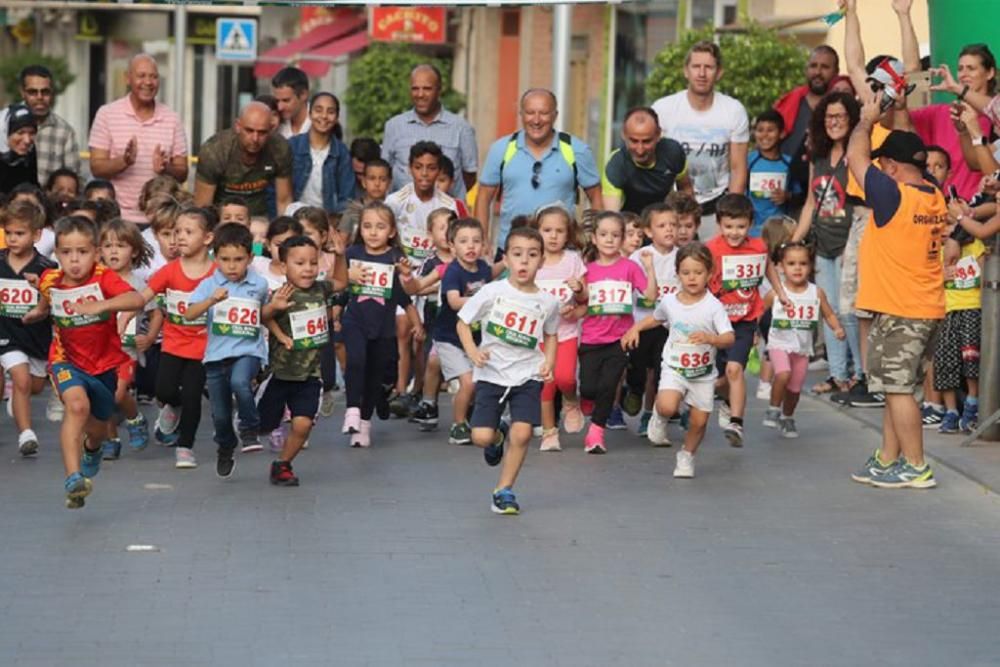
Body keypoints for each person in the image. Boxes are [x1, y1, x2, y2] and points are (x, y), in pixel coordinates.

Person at [847, 94, 947, 490]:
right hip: (923, 306)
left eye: (882, 164)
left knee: (899, 389)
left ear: (889, 166)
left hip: (903, 309)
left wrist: (866, 122)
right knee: (896, 385)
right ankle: (888, 458)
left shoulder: (893, 195)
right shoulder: (932, 193)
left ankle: (917, 465)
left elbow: (856, 157)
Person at [28, 216, 141, 509]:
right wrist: (36, 314)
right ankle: (73, 477)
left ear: (96, 252)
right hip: (65, 359)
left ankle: (92, 449)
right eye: (66, 252)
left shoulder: (103, 277)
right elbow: (45, 301)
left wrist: (102, 304)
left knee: (99, 429)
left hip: (104, 365)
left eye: (82, 252)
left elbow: (136, 300)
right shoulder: (50, 279)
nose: (74, 260)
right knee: (78, 407)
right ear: (57, 254)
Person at [455, 226, 559, 515]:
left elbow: (551, 334)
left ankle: (504, 490)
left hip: (527, 374)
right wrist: (473, 351)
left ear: (542, 261)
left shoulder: (549, 302)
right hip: (491, 374)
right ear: (507, 259)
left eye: (532, 255)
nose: (524, 261)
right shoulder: (492, 291)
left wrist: (549, 360)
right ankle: (498, 435)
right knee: (481, 438)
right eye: (517, 254)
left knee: (524, 433)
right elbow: (462, 322)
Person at [621, 243, 735, 479]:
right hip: (674, 367)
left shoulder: (714, 307)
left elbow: (729, 337)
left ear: (709, 274)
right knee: (667, 405)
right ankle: (659, 417)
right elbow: (656, 318)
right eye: (686, 273)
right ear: (677, 274)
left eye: (698, 272)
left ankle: (687, 455)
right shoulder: (670, 302)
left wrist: (711, 338)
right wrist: (636, 329)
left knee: (699, 422)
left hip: (702, 372)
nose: (692, 278)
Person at [180, 223, 270, 477]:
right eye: (225, 259)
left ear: (250, 258)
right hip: (216, 356)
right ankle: (225, 446)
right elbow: (188, 314)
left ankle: (250, 428)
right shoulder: (210, 284)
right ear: (215, 258)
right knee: (220, 416)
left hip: (248, 350)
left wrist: (278, 327)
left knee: (241, 383)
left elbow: (265, 313)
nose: (232, 266)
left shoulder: (259, 284)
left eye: (239, 260)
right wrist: (211, 300)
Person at [791, 92, 863, 396]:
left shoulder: (860, 153)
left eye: (840, 116)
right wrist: (793, 243)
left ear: (851, 118)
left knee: (850, 312)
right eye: (829, 117)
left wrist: (855, 245)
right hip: (821, 242)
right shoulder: (818, 154)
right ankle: (837, 374)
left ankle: (861, 374)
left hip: (850, 242)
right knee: (829, 309)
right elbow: (811, 202)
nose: (834, 122)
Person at [706, 194, 788, 447]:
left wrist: (780, 293)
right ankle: (728, 399)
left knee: (735, 370)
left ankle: (737, 423)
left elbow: (768, 268)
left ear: (751, 224)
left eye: (740, 226)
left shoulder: (758, 247)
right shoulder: (711, 249)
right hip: (717, 322)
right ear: (719, 224)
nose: (734, 232)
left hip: (744, 320)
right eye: (729, 226)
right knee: (719, 381)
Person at [475, 89, 602, 251]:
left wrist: (595, 241)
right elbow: (484, 195)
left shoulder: (576, 150)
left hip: (562, 252)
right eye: (530, 113)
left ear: (555, 115)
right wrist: (481, 240)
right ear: (521, 114)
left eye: (543, 113)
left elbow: (596, 195)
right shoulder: (501, 149)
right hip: (512, 250)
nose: (536, 120)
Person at [141, 206, 217, 468]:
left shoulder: (217, 272)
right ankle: (172, 407)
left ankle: (185, 446)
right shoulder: (170, 271)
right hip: (173, 343)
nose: (180, 237)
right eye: (176, 232)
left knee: (193, 395)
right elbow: (144, 297)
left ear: (207, 238)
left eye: (188, 232)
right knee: (164, 390)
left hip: (204, 346)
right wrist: (122, 312)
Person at [341, 202, 423, 447]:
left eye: (380, 226)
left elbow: (406, 296)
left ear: (392, 231)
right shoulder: (352, 253)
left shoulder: (395, 258)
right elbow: (334, 282)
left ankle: (364, 424)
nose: (373, 232)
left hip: (383, 328)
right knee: (355, 362)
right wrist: (347, 276)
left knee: (374, 376)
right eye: (367, 226)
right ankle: (352, 411)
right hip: (355, 320)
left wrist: (416, 323)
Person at [575, 211, 657, 453]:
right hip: (591, 338)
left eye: (615, 235)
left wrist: (650, 269)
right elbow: (580, 300)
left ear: (622, 240)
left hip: (619, 340)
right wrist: (578, 290)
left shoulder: (630, 267)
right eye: (604, 235)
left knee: (609, 386)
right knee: (589, 387)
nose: (609, 240)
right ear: (594, 239)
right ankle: (587, 399)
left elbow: (650, 296)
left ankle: (596, 434)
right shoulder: (587, 269)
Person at [385, 141, 458, 414]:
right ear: (409, 169)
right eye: (418, 168)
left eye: (431, 168)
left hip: (434, 279)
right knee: (403, 330)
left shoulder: (449, 205)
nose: (424, 174)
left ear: (439, 171)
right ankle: (401, 390)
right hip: (404, 276)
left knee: (423, 338)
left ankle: (419, 389)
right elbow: (385, 236)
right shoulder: (396, 202)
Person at [260, 236, 338, 485]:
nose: (308, 269)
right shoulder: (281, 293)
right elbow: (263, 316)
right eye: (300, 263)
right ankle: (248, 424)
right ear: (284, 267)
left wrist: (342, 256)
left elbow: (343, 282)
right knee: (262, 424)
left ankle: (283, 464)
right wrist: (277, 316)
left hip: (309, 375)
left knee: (303, 425)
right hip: (280, 373)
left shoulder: (321, 289)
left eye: (313, 263)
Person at [651, 41, 749, 229]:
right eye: (696, 66)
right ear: (686, 71)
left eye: (709, 67)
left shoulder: (733, 110)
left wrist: (730, 216)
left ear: (719, 72)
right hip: (672, 207)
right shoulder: (663, 109)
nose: (702, 73)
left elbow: (738, 169)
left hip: (715, 206)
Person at [88, 54, 189, 222]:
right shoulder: (107, 114)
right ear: (128, 78)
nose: (148, 82)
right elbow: (96, 167)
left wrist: (166, 168)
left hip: (159, 219)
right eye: (141, 76)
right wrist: (124, 161)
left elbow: (183, 172)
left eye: (153, 77)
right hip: (116, 218)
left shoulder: (172, 118)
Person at [761, 241, 844, 439]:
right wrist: (753, 332)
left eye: (803, 263)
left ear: (811, 266)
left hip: (802, 348)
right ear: (781, 266)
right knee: (783, 374)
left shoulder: (816, 292)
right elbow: (759, 312)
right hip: (779, 343)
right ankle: (773, 408)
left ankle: (787, 417)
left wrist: (837, 328)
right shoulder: (776, 292)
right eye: (791, 263)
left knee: (795, 389)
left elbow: (829, 314)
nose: (797, 268)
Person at [423, 218, 491, 446]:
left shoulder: (483, 269)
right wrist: (483, 300)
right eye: (463, 241)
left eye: (476, 241)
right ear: (452, 246)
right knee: (468, 382)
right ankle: (458, 425)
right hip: (449, 338)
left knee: (482, 382)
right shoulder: (452, 272)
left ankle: (476, 416)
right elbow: (453, 301)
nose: (470, 246)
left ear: (484, 245)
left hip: (475, 337)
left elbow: (495, 279)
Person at [0, 199, 57, 456]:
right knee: (20, 378)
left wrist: (42, 309)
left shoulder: (47, 268)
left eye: (19, 233)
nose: (12, 239)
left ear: (37, 234)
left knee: (33, 386)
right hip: (5, 334)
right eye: (8, 233)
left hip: (35, 336)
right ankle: (26, 434)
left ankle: (18, 399)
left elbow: (55, 299)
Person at [531, 205, 587, 451]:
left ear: (568, 234)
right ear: (537, 232)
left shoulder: (573, 260)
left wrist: (578, 290)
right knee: (545, 384)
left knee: (564, 377)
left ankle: (571, 401)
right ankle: (549, 432)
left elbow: (586, 299)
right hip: (538, 336)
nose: (553, 236)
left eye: (559, 231)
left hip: (565, 333)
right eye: (547, 230)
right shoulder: (533, 260)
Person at [622, 202, 680, 439]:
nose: (669, 230)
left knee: (660, 370)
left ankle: (653, 415)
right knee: (638, 367)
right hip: (642, 322)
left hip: (668, 326)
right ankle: (634, 389)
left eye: (673, 225)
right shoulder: (640, 256)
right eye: (662, 225)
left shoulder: (682, 256)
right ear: (648, 231)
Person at [382, 64, 479, 198]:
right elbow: (384, 172)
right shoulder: (394, 126)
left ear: (439, 90)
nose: (420, 94)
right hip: (403, 215)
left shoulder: (461, 128)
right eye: (415, 89)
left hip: (447, 214)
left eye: (427, 89)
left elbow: (469, 175)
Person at [405, 208, 457, 431]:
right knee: (431, 363)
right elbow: (417, 288)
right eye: (441, 228)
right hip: (434, 319)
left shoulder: (464, 258)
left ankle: (470, 407)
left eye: (451, 227)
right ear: (430, 233)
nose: (446, 233)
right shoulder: (431, 263)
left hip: (462, 321)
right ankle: (429, 403)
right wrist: (440, 286)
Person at [194, 101, 293, 218]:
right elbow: (203, 206)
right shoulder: (214, 151)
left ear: (271, 129)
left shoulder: (280, 148)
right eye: (249, 131)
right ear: (238, 126)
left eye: (262, 132)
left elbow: (284, 201)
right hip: (221, 218)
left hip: (258, 218)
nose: (255, 139)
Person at [773, 45, 841, 208]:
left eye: (825, 67)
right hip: (782, 197)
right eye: (813, 66)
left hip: (826, 195)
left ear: (836, 72)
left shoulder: (840, 109)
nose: (818, 72)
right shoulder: (786, 103)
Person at [933, 231, 985, 435]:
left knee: (971, 357)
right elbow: (927, 279)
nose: (946, 229)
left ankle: (972, 402)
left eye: (951, 224)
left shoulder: (976, 246)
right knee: (945, 360)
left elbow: (983, 277)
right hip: (946, 310)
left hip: (972, 308)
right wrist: (940, 276)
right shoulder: (936, 250)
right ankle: (952, 411)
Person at [602, 106, 692, 214]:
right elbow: (612, 216)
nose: (640, 150)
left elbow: (686, 189)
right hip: (630, 223)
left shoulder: (673, 153)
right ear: (623, 135)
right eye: (634, 141)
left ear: (658, 135)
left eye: (646, 142)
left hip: (664, 221)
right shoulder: (616, 165)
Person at [0, 65, 80, 184]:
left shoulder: (64, 132)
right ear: (22, 92)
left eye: (45, 92)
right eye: (32, 92)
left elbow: (73, 178)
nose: (39, 97)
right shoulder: (4, 121)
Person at [289, 92, 354, 214]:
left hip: (327, 221)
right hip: (294, 219)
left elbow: (347, 198)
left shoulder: (342, 152)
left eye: (330, 112)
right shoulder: (292, 146)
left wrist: (340, 229)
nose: (324, 116)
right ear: (310, 114)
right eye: (318, 110)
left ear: (336, 117)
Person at [747, 110, 797, 236]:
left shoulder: (790, 163)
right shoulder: (748, 161)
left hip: (780, 231)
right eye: (760, 130)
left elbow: (801, 195)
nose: (764, 135)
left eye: (770, 130)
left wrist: (787, 196)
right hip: (751, 231)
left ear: (782, 134)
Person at [341, 157, 392, 236]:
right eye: (372, 178)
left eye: (383, 179)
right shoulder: (352, 210)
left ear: (389, 183)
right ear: (364, 182)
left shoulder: (394, 208)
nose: (377, 184)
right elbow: (342, 240)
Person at [0, 104, 38, 195]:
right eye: (20, 133)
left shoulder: (29, 152)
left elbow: (32, 185)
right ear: (4, 132)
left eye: (32, 133)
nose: (27, 140)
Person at [272, 67, 311, 138]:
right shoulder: (276, 125)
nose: (280, 107)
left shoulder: (321, 122)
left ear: (303, 95)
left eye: (286, 100)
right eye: (277, 101)